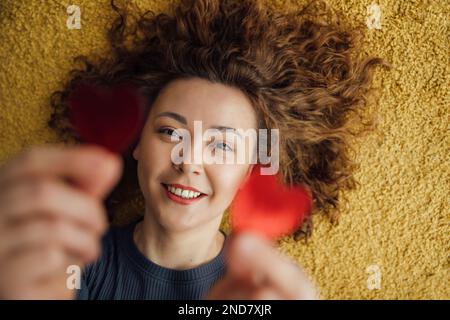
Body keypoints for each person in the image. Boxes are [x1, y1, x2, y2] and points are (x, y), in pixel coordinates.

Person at [0, 0, 388, 299]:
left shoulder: (259, 290)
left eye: (221, 145)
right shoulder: (69, 263)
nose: (189, 162)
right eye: (170, 132)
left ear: (251, 172)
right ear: (136, 143)